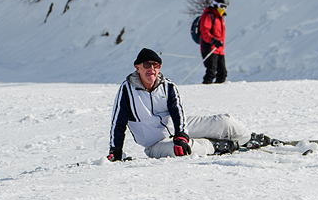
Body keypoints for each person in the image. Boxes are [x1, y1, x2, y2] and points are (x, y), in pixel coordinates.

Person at [108, 48, 272, 161]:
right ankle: (217, 145)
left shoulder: (168, 86)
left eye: (155, 65)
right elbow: (118, 122)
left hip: (175, 127)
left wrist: (181, 134)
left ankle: (248, 138)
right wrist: (116, 151)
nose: (151, 68)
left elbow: (177, 111)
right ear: (137, 67)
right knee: (182, 150)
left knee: (225, 121)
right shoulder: (127, 91)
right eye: (147, 65)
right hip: (154, 143)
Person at [200, 0, 229, 85]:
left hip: (219, 50)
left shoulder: (220, 18)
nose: (223, 9)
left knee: (222, 73)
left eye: (225, 7)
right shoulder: (207, 16)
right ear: (216, 5)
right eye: (221, 6)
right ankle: (205, 91)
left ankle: (217, 94)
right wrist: (213, 40)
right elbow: (204, 31)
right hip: (210, 48)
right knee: (211, 72)